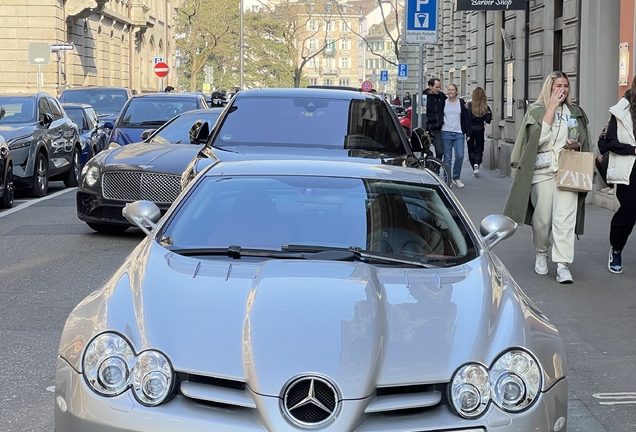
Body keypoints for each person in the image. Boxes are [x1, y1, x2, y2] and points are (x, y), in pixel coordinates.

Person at [503, 71, 592, 284]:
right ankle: (541, 252)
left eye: (566, 86)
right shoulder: (536, 111)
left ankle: (563, 265)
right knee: (542, 219)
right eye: (558, 86)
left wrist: (576, 144)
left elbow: (584, 141)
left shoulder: (575, 112)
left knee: (565, 220)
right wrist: (551, 108)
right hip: (542, 172)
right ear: (549, 88)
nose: (562, 90)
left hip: (567, 171)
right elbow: (537, 140)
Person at [605, 77, 636, 274]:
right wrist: (633, 149)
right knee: (627, 214)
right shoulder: (621, 111)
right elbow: (610, 142)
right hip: (630, 170)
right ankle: (616, 249)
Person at [440, 83, 470, 188]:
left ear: (456, 91)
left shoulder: (461, 103)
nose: (450, 92)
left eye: (452, 90)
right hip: (446, 132)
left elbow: (466, 118)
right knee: (447, 158)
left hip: (458, 133)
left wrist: (468, 132)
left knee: (460, 155)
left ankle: (456, 177)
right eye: (449, 90)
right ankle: (447, 179)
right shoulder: (443, 103)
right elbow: (439, 114)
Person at [466, 87, 492, 177]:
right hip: (480, 128)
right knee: (479, 147)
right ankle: (477, 162)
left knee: (470, 148)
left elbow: (466, 118)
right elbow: (488, 120)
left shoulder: (469, 105)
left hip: (470, 129)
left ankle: (473, 164)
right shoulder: (485, 107)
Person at [423, 78, 446, 158]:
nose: (438, 89)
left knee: (440, 151)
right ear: (430, 86)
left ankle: (436, 169)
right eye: (436, 87)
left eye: (439, 87)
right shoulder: (423, 97)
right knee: (424, 151)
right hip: (425, 128)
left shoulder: (441, 96)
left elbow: (450, 103)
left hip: (437, 128)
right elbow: (419, 112)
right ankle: (428, 165)